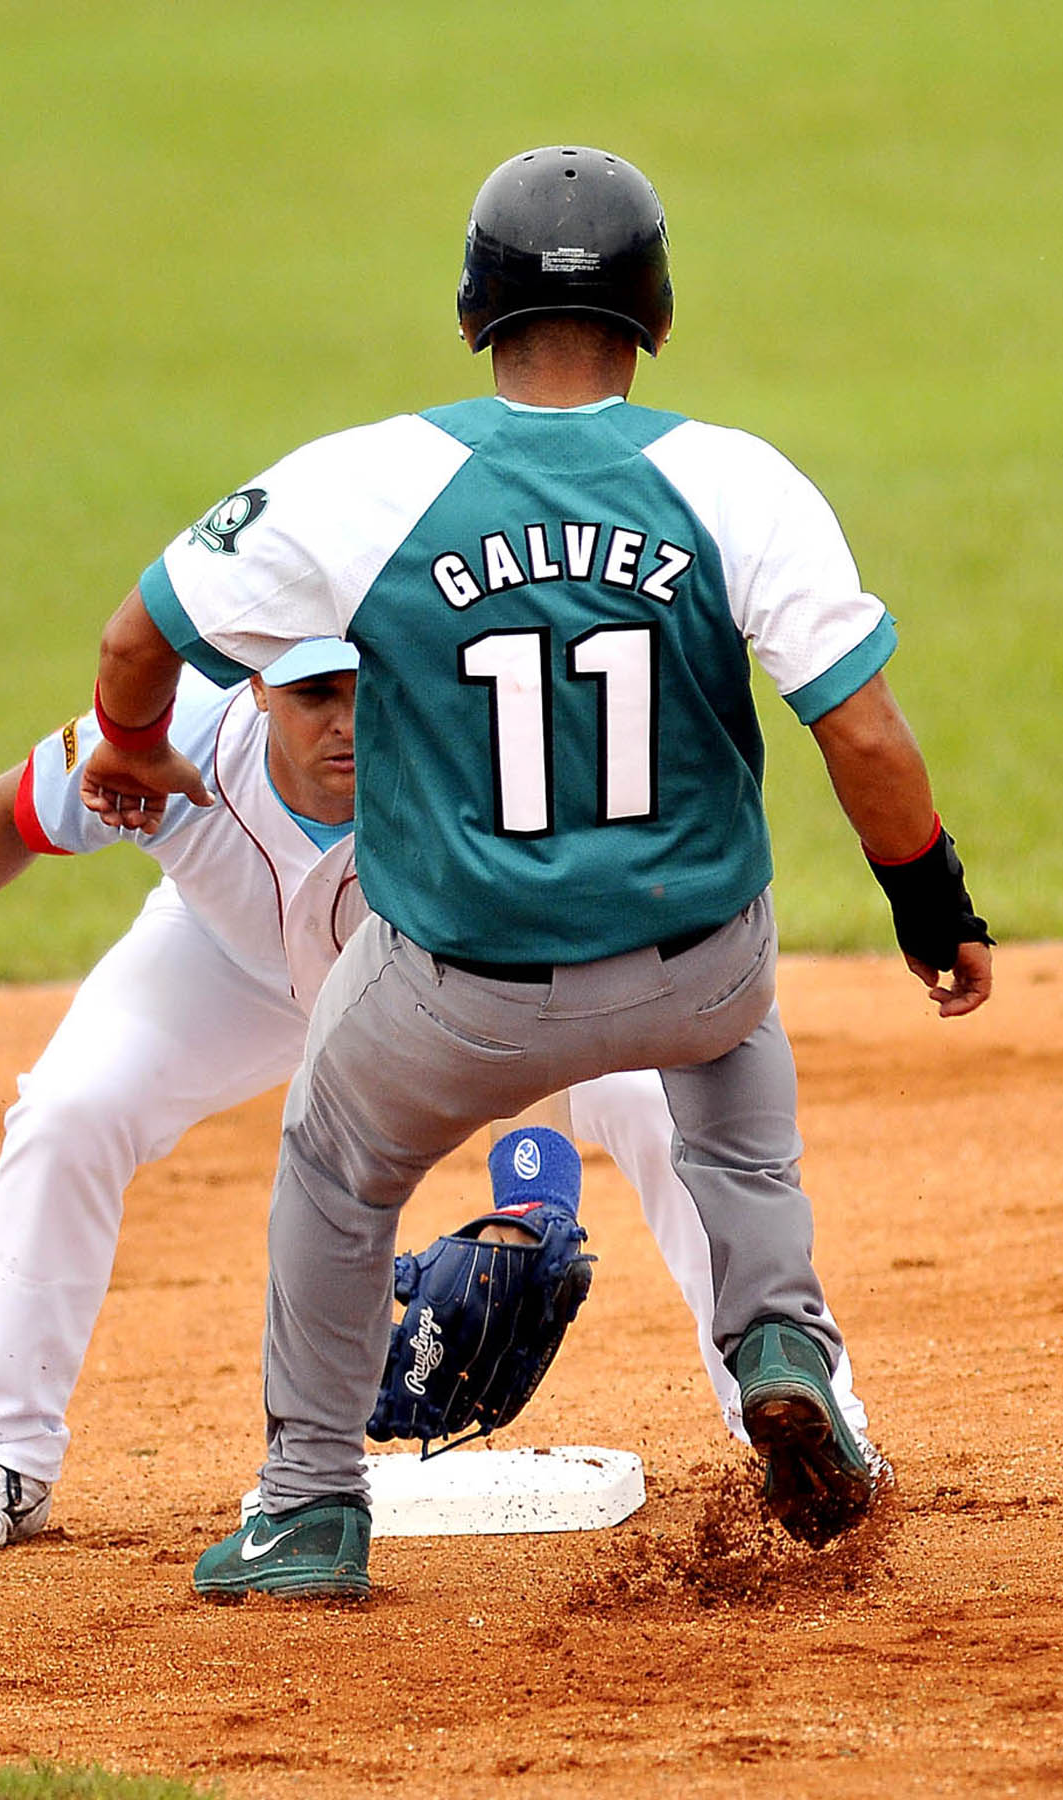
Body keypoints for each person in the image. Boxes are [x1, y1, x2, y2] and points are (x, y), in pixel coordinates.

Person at [74, 144, 992, 1599]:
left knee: (332, 1161)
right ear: (657, 317)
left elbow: (138, 641)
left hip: (460, 998)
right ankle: (774, 1344)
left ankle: (308, 1504)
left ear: (470, 314)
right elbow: (863, 733)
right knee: (735, 1075)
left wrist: (128, 742)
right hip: (696, 968)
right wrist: (932, 903)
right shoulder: (735, 479)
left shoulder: (363, 479)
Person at [0, 639, 876, 1553]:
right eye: (313, 696)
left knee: (651, 1098)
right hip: (230, 973)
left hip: (460, 982)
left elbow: (575, 954)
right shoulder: (167, 745)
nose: (347, 723)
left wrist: (526, 1181)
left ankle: (802, 1418)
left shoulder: (484, 751)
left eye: (369, 691)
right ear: (254, 685)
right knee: (71, 1108)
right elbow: (10, 816)